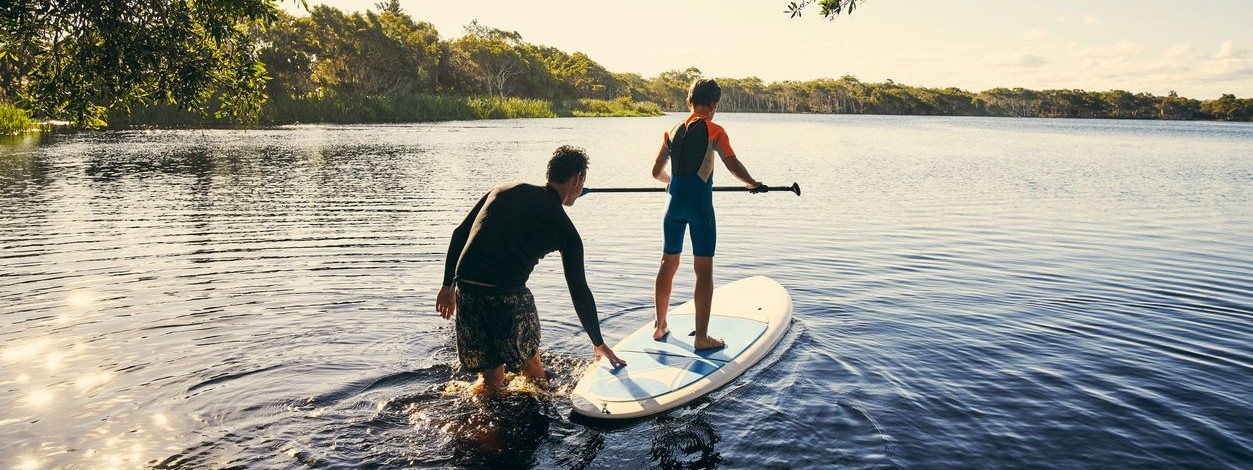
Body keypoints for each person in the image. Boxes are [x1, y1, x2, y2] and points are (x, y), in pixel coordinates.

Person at [436, 145, 627, 394]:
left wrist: (447, 285)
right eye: (582, 182)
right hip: (507, 297)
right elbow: (579, 290)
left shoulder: (504, 189)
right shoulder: (565, 229)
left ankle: (487, 424)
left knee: (491, 379)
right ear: (577, 179)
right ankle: (544, 407)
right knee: (534, 373)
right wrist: (598, 342)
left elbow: (460, 234)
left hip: (467, 292)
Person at [650, 78, 764, 350]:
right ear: (714, 105)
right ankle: (701, 338)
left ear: (688, 102)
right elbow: (732, 164)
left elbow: (656, 172)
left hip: (673, 206)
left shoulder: (671, 130)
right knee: (703, 269)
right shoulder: (715, 131)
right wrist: (752, 183)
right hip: (700, 208)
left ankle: (659, 325)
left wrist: (670, 183)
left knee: (668, 263)